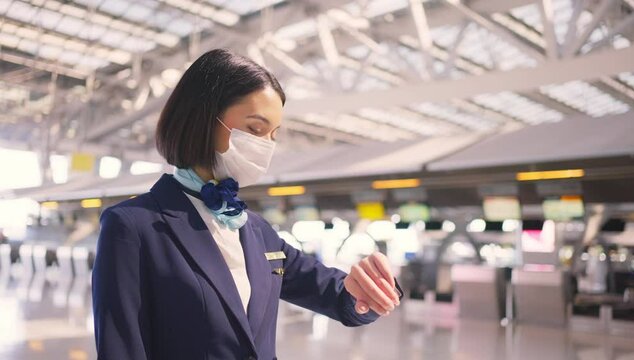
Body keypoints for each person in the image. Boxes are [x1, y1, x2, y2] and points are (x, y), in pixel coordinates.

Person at [92, 48, 403, 360]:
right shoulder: (134, 226)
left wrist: (368, 289)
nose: (265, 145)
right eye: (255, 128)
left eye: (273, 135)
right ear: (203, 118)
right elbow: (122, 348)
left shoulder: (255, 230)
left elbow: (333, 294)